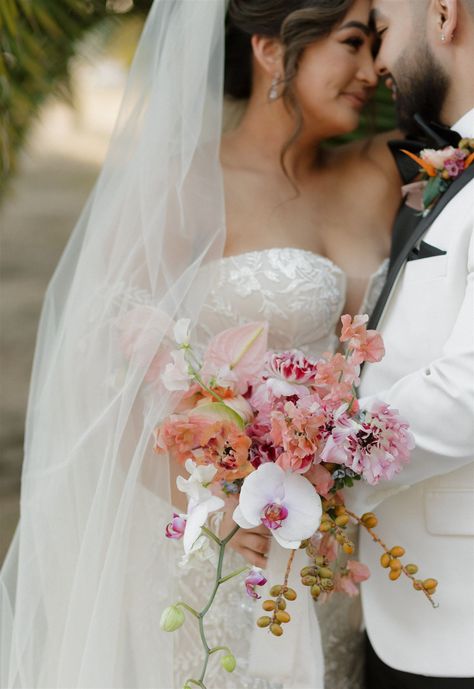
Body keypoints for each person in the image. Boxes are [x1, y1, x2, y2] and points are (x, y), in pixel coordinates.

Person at [0, 1, 401, 688]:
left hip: (340, 556)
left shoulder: (377, 172)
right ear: (271, 51)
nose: (372, 70)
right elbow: (102, 385)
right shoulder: (183, 188)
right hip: (221, 557)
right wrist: (212, 513)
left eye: (379, 45)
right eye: (353, 43)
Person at [345, 0, 474, 687]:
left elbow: (470, 384)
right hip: (412, 612)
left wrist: (320, 458)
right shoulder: (459, 167)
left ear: (445, 15)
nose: (379, 65)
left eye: (384, 33)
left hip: (461, 623)